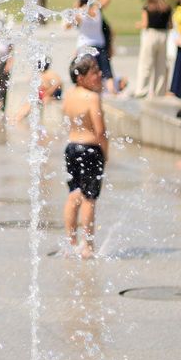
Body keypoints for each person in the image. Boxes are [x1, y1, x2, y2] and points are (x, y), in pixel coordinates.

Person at [62, 54, 108, 259]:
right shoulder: (93, 98)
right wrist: (105, 154)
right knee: (89, 199)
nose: (99, 75)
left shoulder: (69, 94)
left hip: (71, 148)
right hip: (90, 149)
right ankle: (87, 246)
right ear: (81, 77)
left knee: (73, 195)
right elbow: (100, 132)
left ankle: (71, 242)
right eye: (94, 72)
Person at [69, 0, 119, 96]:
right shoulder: (97, 10)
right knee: (107, 74)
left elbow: (67, 24)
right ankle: (113, 93)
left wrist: (77, 4)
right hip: (100, 46)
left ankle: (85, 95)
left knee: (86, 73)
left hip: (84, 47)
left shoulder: (79, 13)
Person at [135, 0, 171, 98]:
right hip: (163, 36)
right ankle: (159, 92)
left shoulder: (147, 8)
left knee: (146, 64)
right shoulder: (167, 9)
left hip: (150, 35)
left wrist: (138, 25)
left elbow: (145, 24)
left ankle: (142, 90)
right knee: (160, 65)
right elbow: (171, 25)